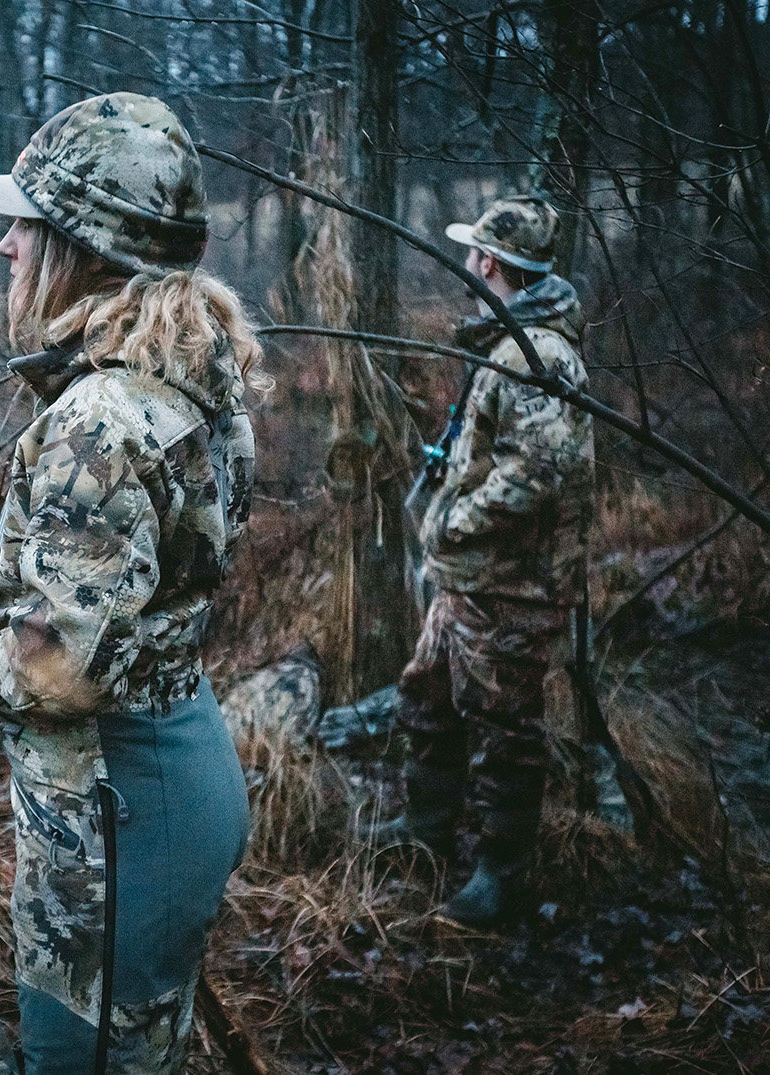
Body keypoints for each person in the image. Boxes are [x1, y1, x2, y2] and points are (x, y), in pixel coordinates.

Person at [0, 93, 261, 1074]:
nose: (6, 245)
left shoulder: (98, 423)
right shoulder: (189, 384)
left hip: (115, 820)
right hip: (168, 784)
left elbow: (67, 669)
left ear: (81, 250)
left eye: (26, 225)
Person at [379, 195, 595, 926]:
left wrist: (453, 525)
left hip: (512, 583)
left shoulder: (540, 355)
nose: (468, 264)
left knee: (506, 728)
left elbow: (541, 470)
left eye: (475, 254)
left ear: (491, 263)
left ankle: (505, 877)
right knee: (428, 696)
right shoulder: (509, 342)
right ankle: (426, 832)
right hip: (470, 578)